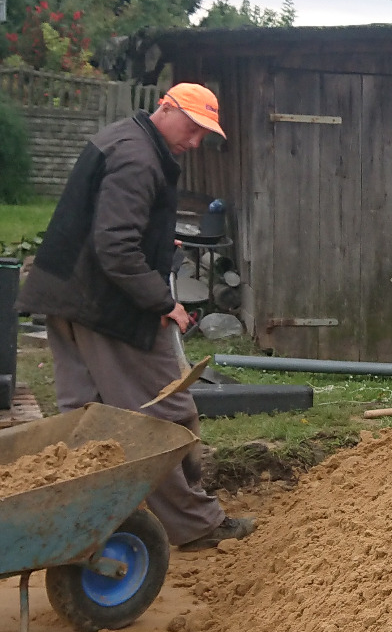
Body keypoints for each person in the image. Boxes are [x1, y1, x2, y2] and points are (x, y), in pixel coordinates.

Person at [18, 82, 254, 550]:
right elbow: (116, 246)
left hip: (66, 295)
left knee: (85, 419)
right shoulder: (139, 159)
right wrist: (163, 301)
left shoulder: (122, 137)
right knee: (165, 415)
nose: (195, 141)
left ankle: (81, 524)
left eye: (205, 134)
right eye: (193, 128)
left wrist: (159, 243)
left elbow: (106, 227)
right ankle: (194, 524)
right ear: (167, 108)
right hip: (106, 308)